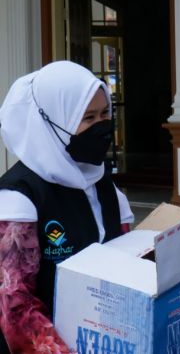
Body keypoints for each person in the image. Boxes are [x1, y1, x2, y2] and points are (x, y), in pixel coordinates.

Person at [0, 61, 134, 353]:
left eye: (105, 114)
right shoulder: (18, 199)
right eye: (87, 117)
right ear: (52, 121)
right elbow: (15, 308)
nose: (101, 127)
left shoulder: (104, 185)